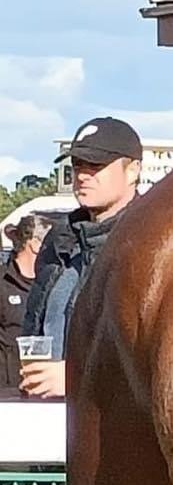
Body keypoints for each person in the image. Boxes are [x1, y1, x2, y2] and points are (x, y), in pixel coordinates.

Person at [21, 116, 143, 400]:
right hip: (45, 411)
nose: (83, 175)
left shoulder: (150, 242)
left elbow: (160, 353)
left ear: (132, 171)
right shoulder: (59, 240)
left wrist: (77, 378)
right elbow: (36, 327)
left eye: (96, 165)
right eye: (77, 165)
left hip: (115, 419)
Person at [2, 213, 49, 392]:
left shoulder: (53, 284)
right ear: (34, 244)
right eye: (50, 244)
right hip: (7, 393)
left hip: (46, 389)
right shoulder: (3, 282)